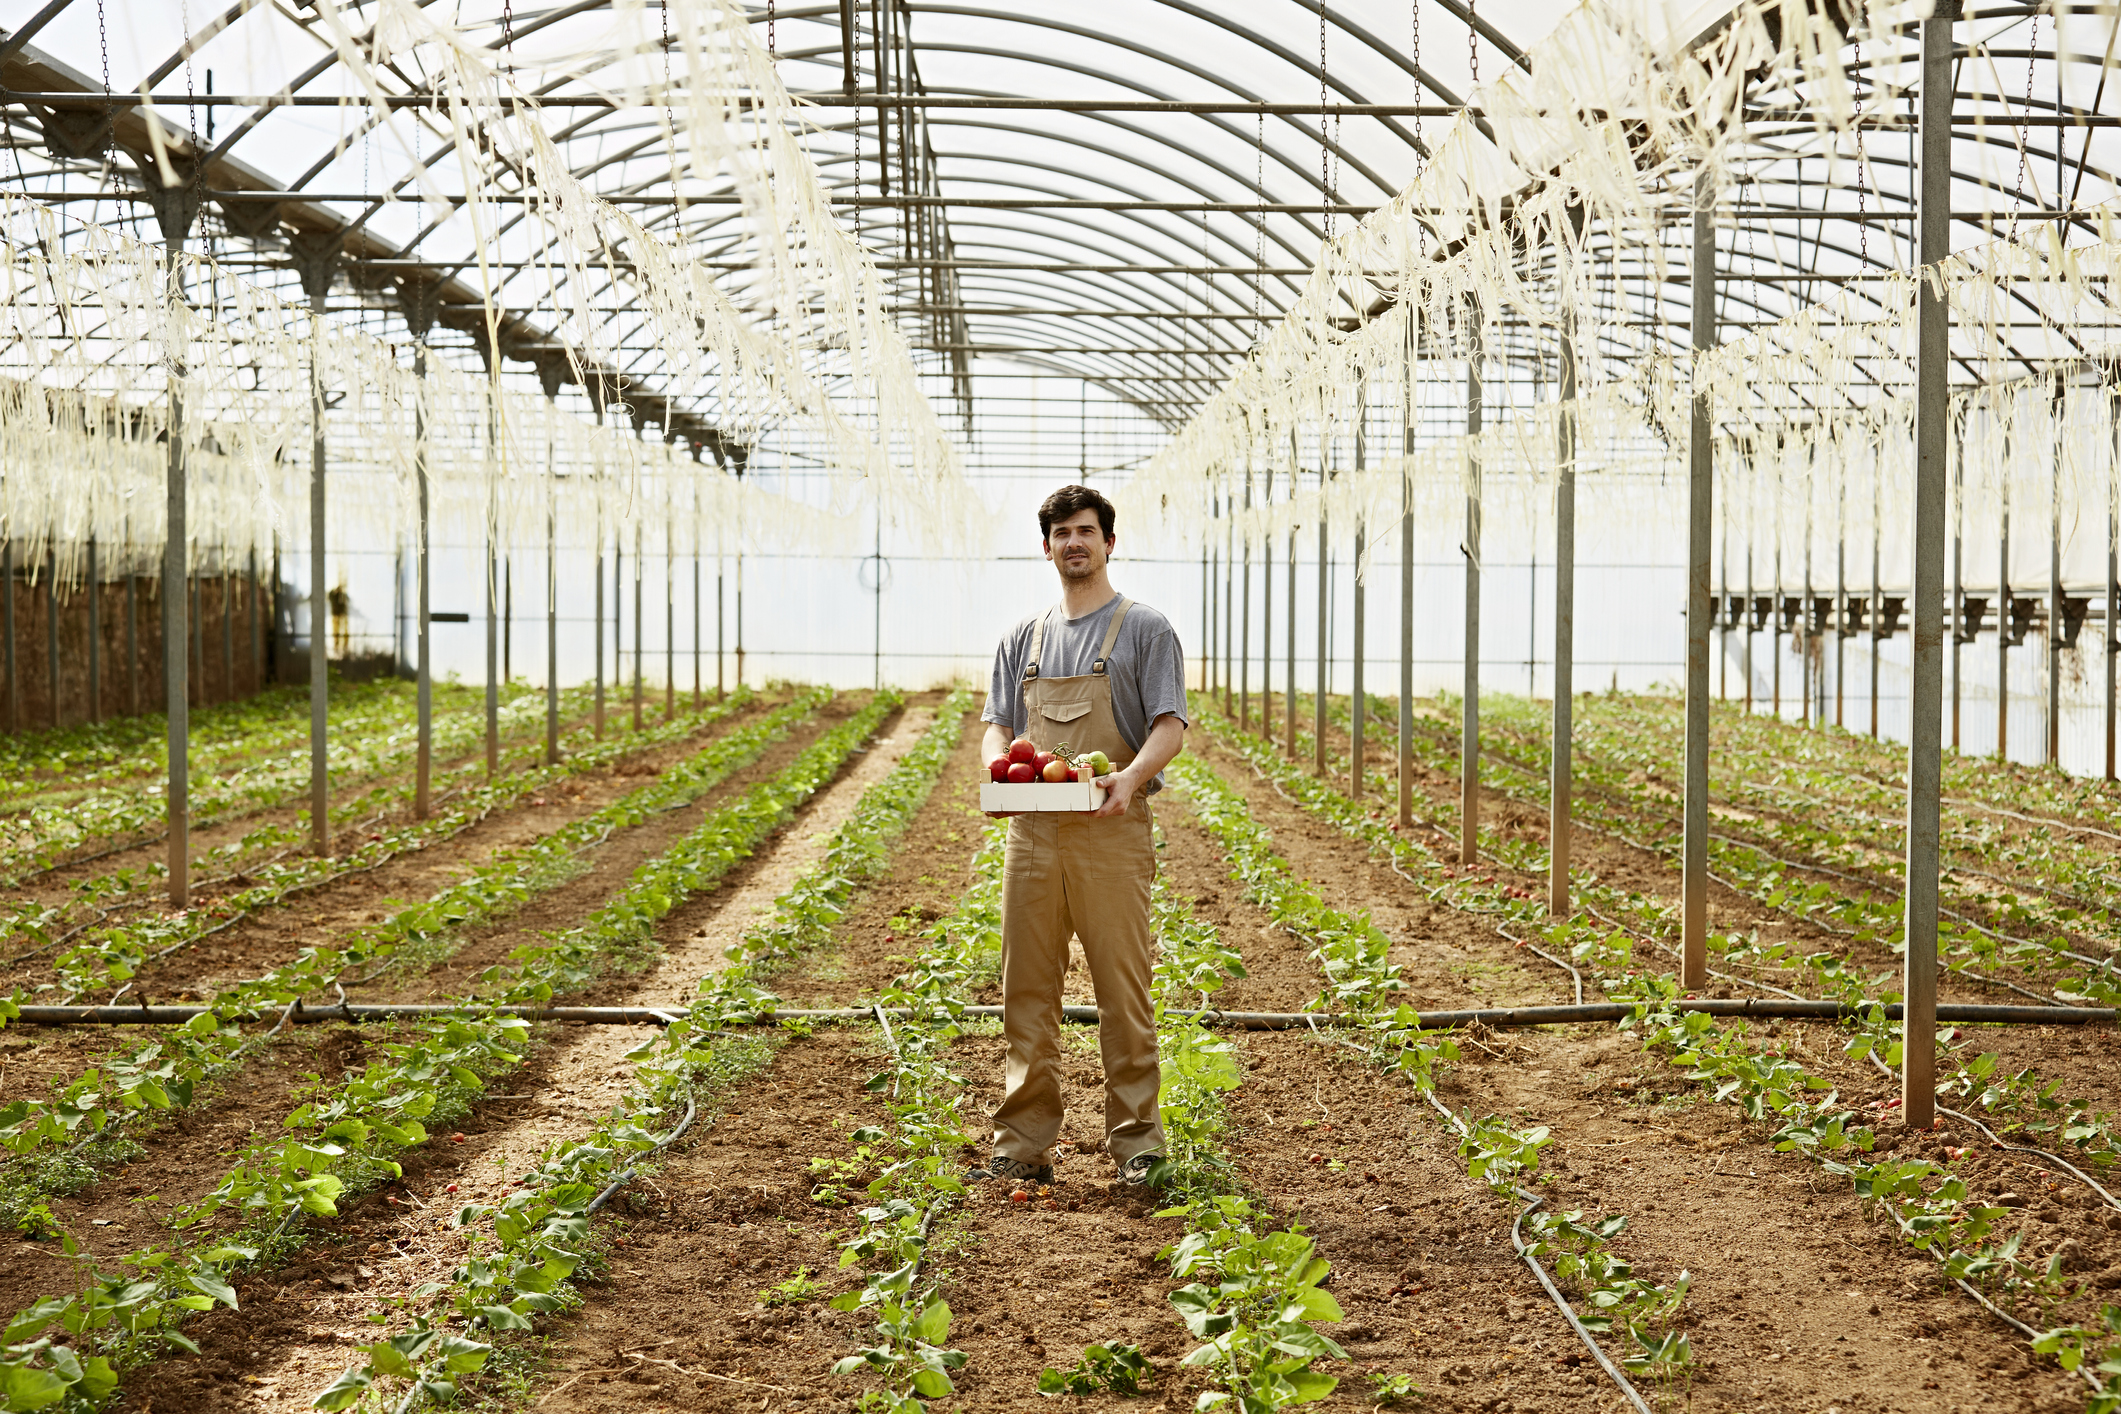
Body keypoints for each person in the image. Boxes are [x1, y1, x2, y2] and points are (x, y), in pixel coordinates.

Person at [973, 484, 1189, 1190]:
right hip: (1032, 836)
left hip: (1109, 832)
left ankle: (1138, 1146)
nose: (1073, 542)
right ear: (1046, 548)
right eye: (1061, 533)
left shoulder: (1144, 629)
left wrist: (1129, 778)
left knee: (1122, 993)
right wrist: (997, 772)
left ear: (1108, 543)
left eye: (1085, 531)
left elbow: (1169, 726)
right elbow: (998, 727)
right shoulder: (1022, 638)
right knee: (1026, 991)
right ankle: (1022, 1145)